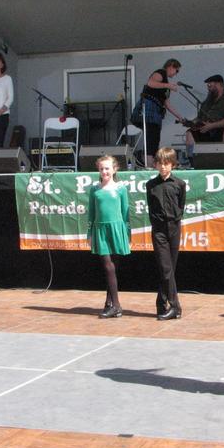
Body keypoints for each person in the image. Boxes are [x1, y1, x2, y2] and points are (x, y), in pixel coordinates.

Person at [87, 155, 131, 319]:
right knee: (108, 266)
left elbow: (126, 213)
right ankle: (117, 306)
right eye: (101, 169)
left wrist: (127, 234)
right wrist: (90, 233)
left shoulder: (120, 189)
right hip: (101, 230)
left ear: (114, 169)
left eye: (107, 168)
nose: (104, 171)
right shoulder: (95, 189)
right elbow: (91, 213)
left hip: (117, 229)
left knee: (113, 268)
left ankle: (109, 303)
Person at [146, 147, 186, 320]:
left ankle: (161, 303)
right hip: (159, 230)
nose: (163, 167)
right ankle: (175, 306)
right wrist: (156, 224)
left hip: (174, 227)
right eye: (160, 164)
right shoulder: (151, 185)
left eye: (166, 164)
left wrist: (175, 219)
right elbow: (151, 207)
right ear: (155, 165)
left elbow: (181, 204)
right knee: (165, 267)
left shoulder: (179, 184)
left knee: (169, 269)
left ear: (172, 165)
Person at [132, 59, 185, 168]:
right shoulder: (161, 73)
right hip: (148, 108)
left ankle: (150, 162)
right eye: (176, 70)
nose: (176, 74)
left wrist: (180, 116)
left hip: (156, 112)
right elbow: (151, 83)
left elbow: (167, 104)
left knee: (155, 137)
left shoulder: (166, 86)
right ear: (171, 66)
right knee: (151, 136)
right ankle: (148, 163)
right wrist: (168, 85)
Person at [184, 74, 224, 166]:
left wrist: (211, 126)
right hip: (206, 130)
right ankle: (193, 163)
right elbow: (199, 118)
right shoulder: (206, 103)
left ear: (219, 85)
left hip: (221, 129)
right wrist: (190, 122)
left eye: (211, 85)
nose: (209, 88)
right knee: (190, 133)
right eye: (208, 86)